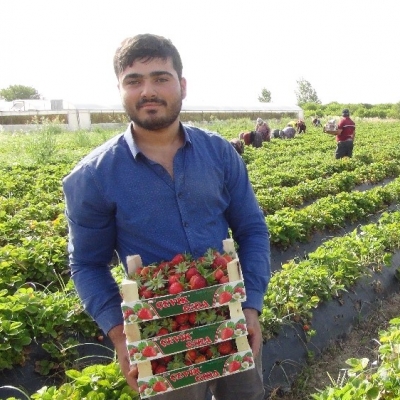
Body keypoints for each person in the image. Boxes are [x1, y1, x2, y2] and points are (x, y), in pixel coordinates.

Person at [62, 34, 270, 400]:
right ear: (120, 90)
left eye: (160, 78)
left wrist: (251, 305)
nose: (148, 91)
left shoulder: (220, 153)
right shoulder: (93, 176)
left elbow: (252, 230)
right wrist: (121, 335)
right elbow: (87, 264)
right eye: (134, 81)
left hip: (232, 317)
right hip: (159, 337)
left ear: (182, 86)